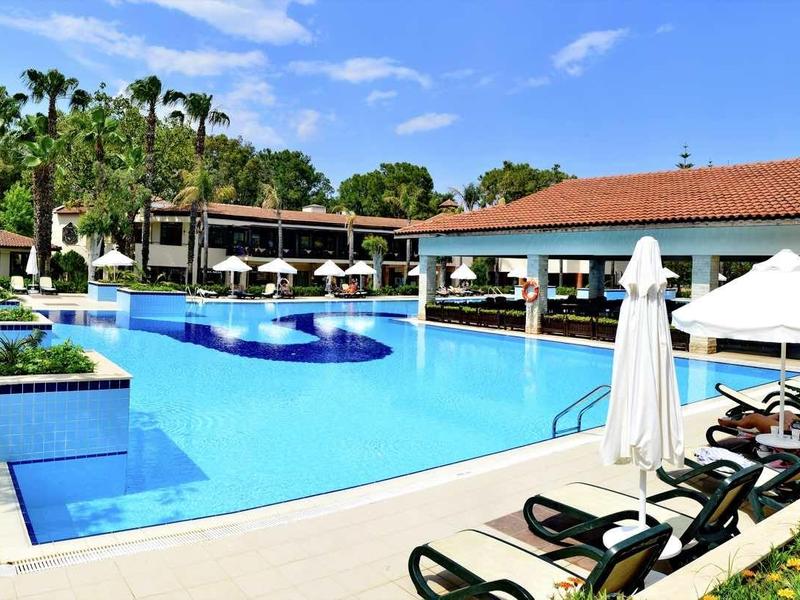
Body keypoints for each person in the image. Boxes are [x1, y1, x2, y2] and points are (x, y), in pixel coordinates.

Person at [719, 411, 800, 433]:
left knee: (755, 417)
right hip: (797, 427)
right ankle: (757, 425)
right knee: (785, 413)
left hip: (796, 435)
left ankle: (736, 423)